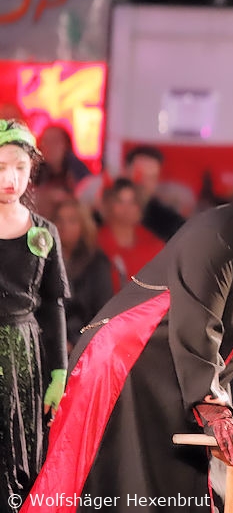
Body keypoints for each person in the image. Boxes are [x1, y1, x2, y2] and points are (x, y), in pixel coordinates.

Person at [24, 148, 233, 513]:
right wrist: (213, 408)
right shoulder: (219, 233)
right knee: (120, 486)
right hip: (128, 365)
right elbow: (198, 320)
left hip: (181, 373)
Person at [0, 119, 69, 513]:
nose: (11, 178)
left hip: (25, 359)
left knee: (22, 456)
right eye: (1, 167)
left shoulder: (44, 231)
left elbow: (54, 304)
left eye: (20, 167)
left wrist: (59, 373)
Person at [48, 196, 113, 352]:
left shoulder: (97, 263)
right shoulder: (45, 260)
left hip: (86, 343)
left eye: (72, 221)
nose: (64, 226)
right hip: (50, 341)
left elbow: (103, 311)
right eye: (59, 220)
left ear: (83, 226)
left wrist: (76, 343)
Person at [96, 178, 165, 294]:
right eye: (120, 202)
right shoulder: (97, 244)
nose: (126, 209)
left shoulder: (154, 244)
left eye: (132, 202)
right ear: (109, 205)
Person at [121, 144, 186, 241]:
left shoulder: (171, 224)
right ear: (125, 173)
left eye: (151, 178)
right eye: (139, 175)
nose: (144, 183)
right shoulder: (104, 217)